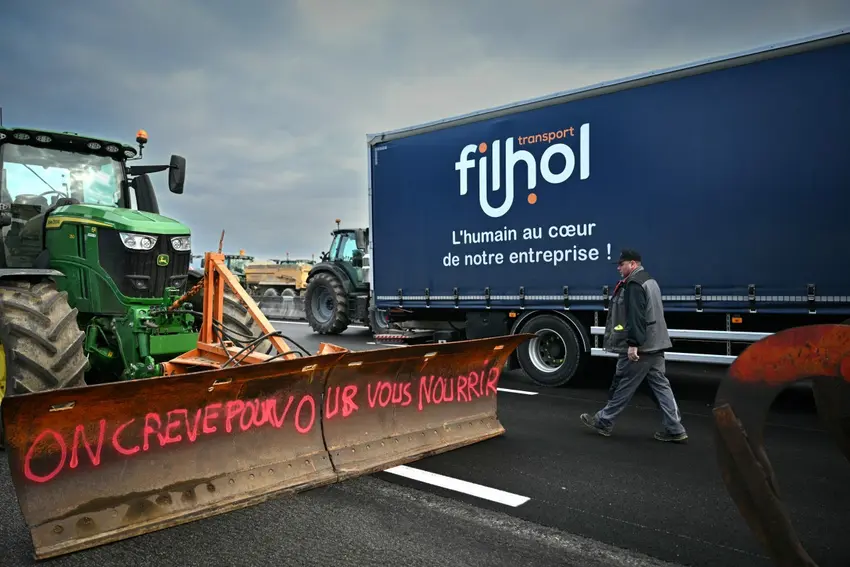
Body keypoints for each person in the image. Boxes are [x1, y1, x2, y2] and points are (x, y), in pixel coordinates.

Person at [580, 249, 688, 443]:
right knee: (661, 387)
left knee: (625, 385)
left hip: (643, 346)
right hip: (655, 343)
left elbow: (636, 317)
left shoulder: (634, 284)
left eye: (621, 264)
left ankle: (604, 421)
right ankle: (675, 428)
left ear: (633, 264)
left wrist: (633, 345)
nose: (619, 268)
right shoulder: (650, 281)